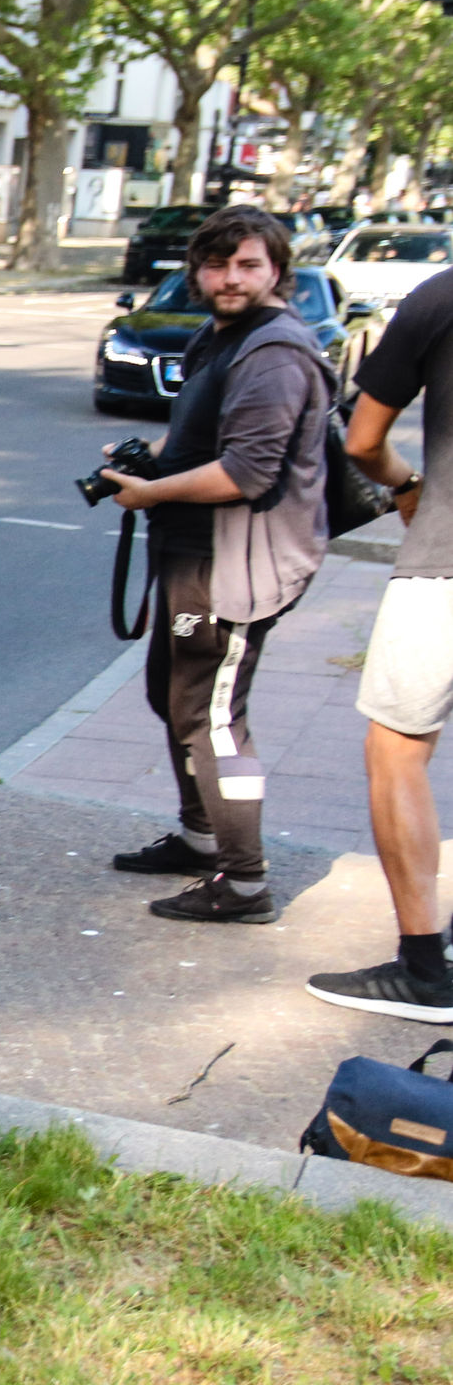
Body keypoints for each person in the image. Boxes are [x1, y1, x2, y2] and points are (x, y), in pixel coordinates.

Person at [98, 205, 335, 923]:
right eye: (216, 264)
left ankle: (244, 883)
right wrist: (152, 464)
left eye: (248, 265)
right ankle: (202, 838)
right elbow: (204, 442)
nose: (230, 278)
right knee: (172, 695)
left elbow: (247, 473)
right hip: (191, 553)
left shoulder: (274, 352)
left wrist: (150, 490)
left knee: (211, 715)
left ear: (277, 273)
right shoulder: (219, 334)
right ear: (197, 271)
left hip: (237, 564)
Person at [306, 264, 453, 1019]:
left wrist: (409, 487)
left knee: (398, 749)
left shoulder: (440, 296)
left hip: (446, 563)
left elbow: (364, 439)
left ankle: (426, 968)